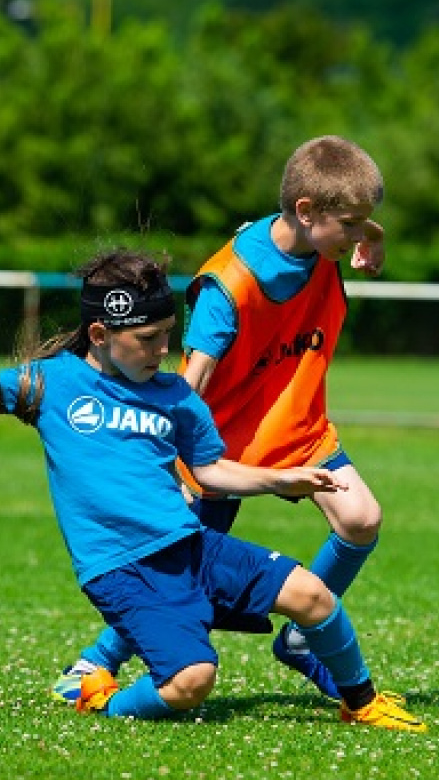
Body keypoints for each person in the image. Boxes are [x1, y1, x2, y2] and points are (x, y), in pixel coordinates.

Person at [0, 249, 427, 732]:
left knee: (314, 595)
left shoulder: (174, 395)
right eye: (147, 339)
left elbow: (212, 471)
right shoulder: (50, 383)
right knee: (193, 682)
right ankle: (102, 702)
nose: (163, 349)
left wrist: (280, 479)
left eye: (167, 333)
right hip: (125, 570)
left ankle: (361, 704)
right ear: (101, 336)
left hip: (191, 546)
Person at [61, 135, 405, 707]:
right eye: (350, 224)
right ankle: (94, 662)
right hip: (220, 446)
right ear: (306, 212)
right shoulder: (230, 285)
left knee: (361, 517)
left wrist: (375, 239)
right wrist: (167, 458)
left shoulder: (326, 239)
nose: (356, 235)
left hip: (294, 427)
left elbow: (359, 231)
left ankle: (301, 637)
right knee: (181, 569)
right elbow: (189, 382)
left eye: (361, 224)